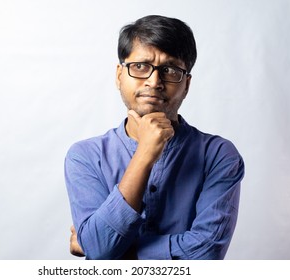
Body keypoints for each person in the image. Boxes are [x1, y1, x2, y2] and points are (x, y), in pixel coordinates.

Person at [64, 15, 245, 260]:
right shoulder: (85, 156)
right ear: (119, 75)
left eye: (170, 70)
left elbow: (207, 253)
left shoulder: (218, 155)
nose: (154, 81)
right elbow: (100, 248)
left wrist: (111, 250)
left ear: (187, 84)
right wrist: (145, 155)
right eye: (140, 66)